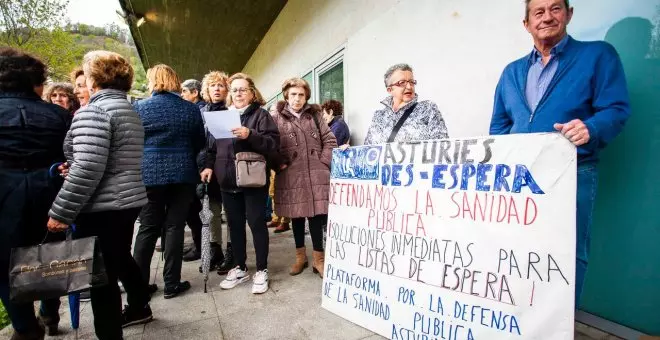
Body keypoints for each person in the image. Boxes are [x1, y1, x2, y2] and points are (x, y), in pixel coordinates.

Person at [490, 0, 630, 307]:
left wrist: (591, 128)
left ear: (569, 14)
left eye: (555, 8)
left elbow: (616, 109)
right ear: (526, 24)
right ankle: (521, 321)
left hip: (572, 174)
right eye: (538, 12)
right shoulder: (511, 72)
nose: (547, 17)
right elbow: (499, 126)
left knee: (566, 254)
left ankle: (558, 328)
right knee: (518, 251)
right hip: (518, 179)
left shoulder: (597, 56)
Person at [46, 50, 153, 339]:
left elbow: (89, 167)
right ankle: (140, 301)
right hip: (126, 200)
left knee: (100, 280)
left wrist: (60, 212)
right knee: (118, 258)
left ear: (94, 79)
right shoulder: (127, 108)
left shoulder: (95, 110)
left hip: (104, 206)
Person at [0, 47, 70, 340]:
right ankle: (50, 312)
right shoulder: (58, 115)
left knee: (4, 265)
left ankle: (24, 326)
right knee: (50, 256)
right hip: (48, 193)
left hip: (4, 196)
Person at [132, 64, 205, 299]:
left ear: (153, 81)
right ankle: (171, 283)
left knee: (147, 227)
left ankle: (139, 285)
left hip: (149, 174)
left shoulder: (139, 108)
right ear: (176, 80)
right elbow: (199, 143)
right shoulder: (190, 109)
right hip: (183, 173)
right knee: (175, 226)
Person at [201, 72, 279, 294]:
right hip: (226, 178)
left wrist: (250, 134)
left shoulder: (261, 115)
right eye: (234, 90)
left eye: (243, 89)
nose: (238, 93)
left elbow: (273, 143)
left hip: (252, 178)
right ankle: (240, 267)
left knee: (256, 223)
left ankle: (262, 270)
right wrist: (207, 166)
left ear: (252, 93)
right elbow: (211, 147)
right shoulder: (222, 116)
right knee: (234, 225)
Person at [271, 78, 338, 278]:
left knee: (317, 216)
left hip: (316, 172)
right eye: (293, 94)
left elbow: (329, 139)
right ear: (286, 96)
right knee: (297, 216)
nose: (297, 99)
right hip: (291, 174)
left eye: (301, 95)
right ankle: (301, 257)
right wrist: (279, 163)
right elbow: (270, 143)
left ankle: (319, 260)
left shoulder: (315, 115)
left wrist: (323, 161)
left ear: (306, 96)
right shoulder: (276, 117)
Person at [199, 71, 234, 274]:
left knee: (229, 211)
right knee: (211, 210)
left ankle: (232, 248)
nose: (217, 89)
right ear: (207, 90)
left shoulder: (230, 112)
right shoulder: (201, 113)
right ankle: (215, 249)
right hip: (205, 168)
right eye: (213, 86)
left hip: (225, 167)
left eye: (221, 85)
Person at [364, 63, 449, 144]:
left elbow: (442, 146)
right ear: (390, 90)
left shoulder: (428, 109)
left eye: (411, 82)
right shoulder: (379, 116)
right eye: (402, 83)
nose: (409, 87)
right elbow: (368, 150)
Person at [179, 79, 206, 262]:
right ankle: (198, 245)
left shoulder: (199, 112)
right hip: (195, 165)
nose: (182, 96)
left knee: (197, 212)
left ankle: (203, 248)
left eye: (184, 92)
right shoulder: (196, 110)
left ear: (195, 93)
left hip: (199, 166)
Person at [267, 101, 291, 233]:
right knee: (272, 192)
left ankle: (285, 221)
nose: (272, 114)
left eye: (274, 111)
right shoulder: (269, 126)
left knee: (283, 192)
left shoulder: (284, 124)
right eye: (270, 111)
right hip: (272, 163)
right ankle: (276, 217)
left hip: (282, 163)